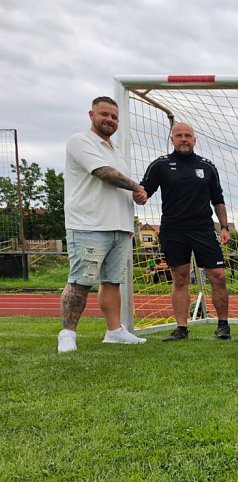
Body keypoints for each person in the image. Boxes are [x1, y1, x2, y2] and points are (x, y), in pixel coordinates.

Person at [58, 95, 148, 353]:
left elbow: (120, 182)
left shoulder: (116, 150)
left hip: (120, 225)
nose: (109, 120)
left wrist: (136, 194)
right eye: (104, 114)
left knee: (112, 281)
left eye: (114, 117)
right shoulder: (80, 141)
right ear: (91, 115)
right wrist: (136, 187)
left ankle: (115, 331)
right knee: (80, 281)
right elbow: (104, 173)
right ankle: (67, 333)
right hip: (89, 223)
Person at [138, 122, 232, 341]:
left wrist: (225, 227)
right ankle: (181, 328)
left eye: (187, 135)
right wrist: (138, 194)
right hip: (173, 230)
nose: (183, 139)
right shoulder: (160, 165)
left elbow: (218, 199)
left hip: (203, 229)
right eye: (179, 135)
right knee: (180, 278)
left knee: (218, 277)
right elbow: (144, 192)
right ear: (172, 139)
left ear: (194, 139)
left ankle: (223, 326)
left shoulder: (207, 166)